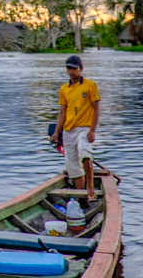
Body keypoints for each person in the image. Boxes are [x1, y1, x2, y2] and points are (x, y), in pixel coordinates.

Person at [50, 55, 101, 201]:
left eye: (74, 68)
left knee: (85, 153)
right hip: (68, 130)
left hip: (84, 128)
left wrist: (92, 130)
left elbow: (96, 109)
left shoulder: (90, 85)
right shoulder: (64, 89)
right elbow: (62, 112)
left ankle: (90, 189)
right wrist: (56, 132)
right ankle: (82, 196)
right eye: (69, 68)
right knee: (72, 165)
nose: (72, 71)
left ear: (81, 69)